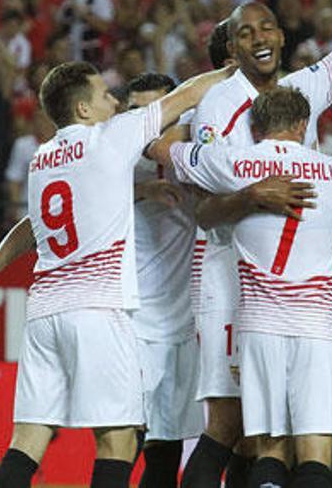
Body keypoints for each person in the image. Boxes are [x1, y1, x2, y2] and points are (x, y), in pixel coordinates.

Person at [0, 60, 234, 487]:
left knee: (27, 440)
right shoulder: (111, 138)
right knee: (118, 444)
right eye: (104, 95)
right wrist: (233, 70)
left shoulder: (41, 159)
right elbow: (185, 97)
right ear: (83, 110)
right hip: (98, 308)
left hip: (44, 313)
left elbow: (42, 221)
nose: (113, 101)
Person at [182, 0, 332, 486]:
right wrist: (252, 196)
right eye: (246, 33)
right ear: (231, 47)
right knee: (234, 422)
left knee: (294, 428)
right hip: (231, 273)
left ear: (282, 34)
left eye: (266, 27)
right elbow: (203, 207)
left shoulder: (301, 89)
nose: (259, 39)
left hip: (299, 275)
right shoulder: (218, 104)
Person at [149, 86, 332, 488]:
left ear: (256, 127)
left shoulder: (235, 162)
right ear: (302, 125)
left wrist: (187, 123)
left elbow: (160, 150)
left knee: (270, 448)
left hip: (259, 327)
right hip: (319, 326)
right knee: (315, 450)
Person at [123, 73, 205, 488]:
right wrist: (144, 192)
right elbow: (86, 194)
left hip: (184, 325)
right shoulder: (120, 163)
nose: (145, 123)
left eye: (155, 112)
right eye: (136, 112)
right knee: (123, 443)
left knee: (166, 447)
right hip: (133, 323)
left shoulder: (192, 164)